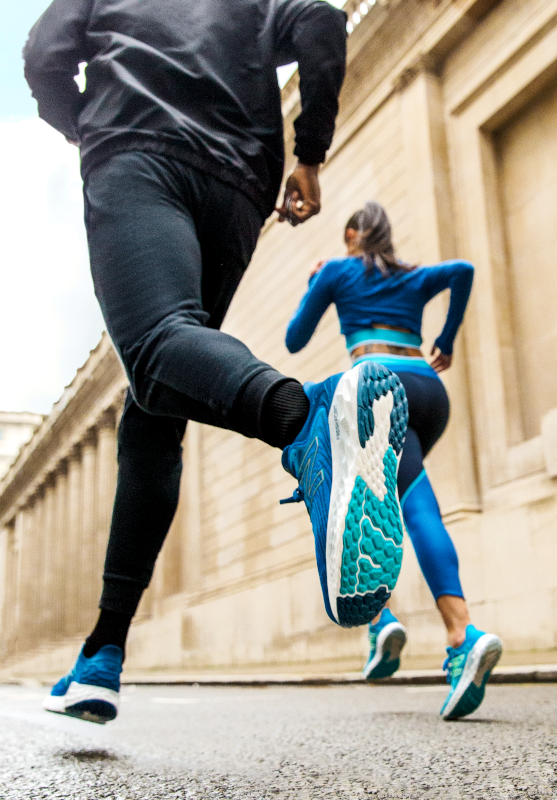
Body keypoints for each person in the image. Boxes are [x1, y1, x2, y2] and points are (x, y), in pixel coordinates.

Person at [24, 0, 409, 724]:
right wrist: (309, 155)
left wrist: (87, 125)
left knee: (156, 344)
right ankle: (103, 650)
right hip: (238, 183)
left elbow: (45, 53)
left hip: (136, 148)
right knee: (154, 411)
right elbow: (323, 25)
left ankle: (304, 418)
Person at [285, 201, 503, 720]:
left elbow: (294, 338)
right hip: (430, 392)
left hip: (381, 389)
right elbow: (463, 272)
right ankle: (382, 623)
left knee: (395, 500)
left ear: (356, 235)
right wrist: (445, 341)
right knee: (393, 492)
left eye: (346, 239)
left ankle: (459, 633)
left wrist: (318, 280)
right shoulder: (410, 276)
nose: (344, 249)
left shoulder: (340, 270)